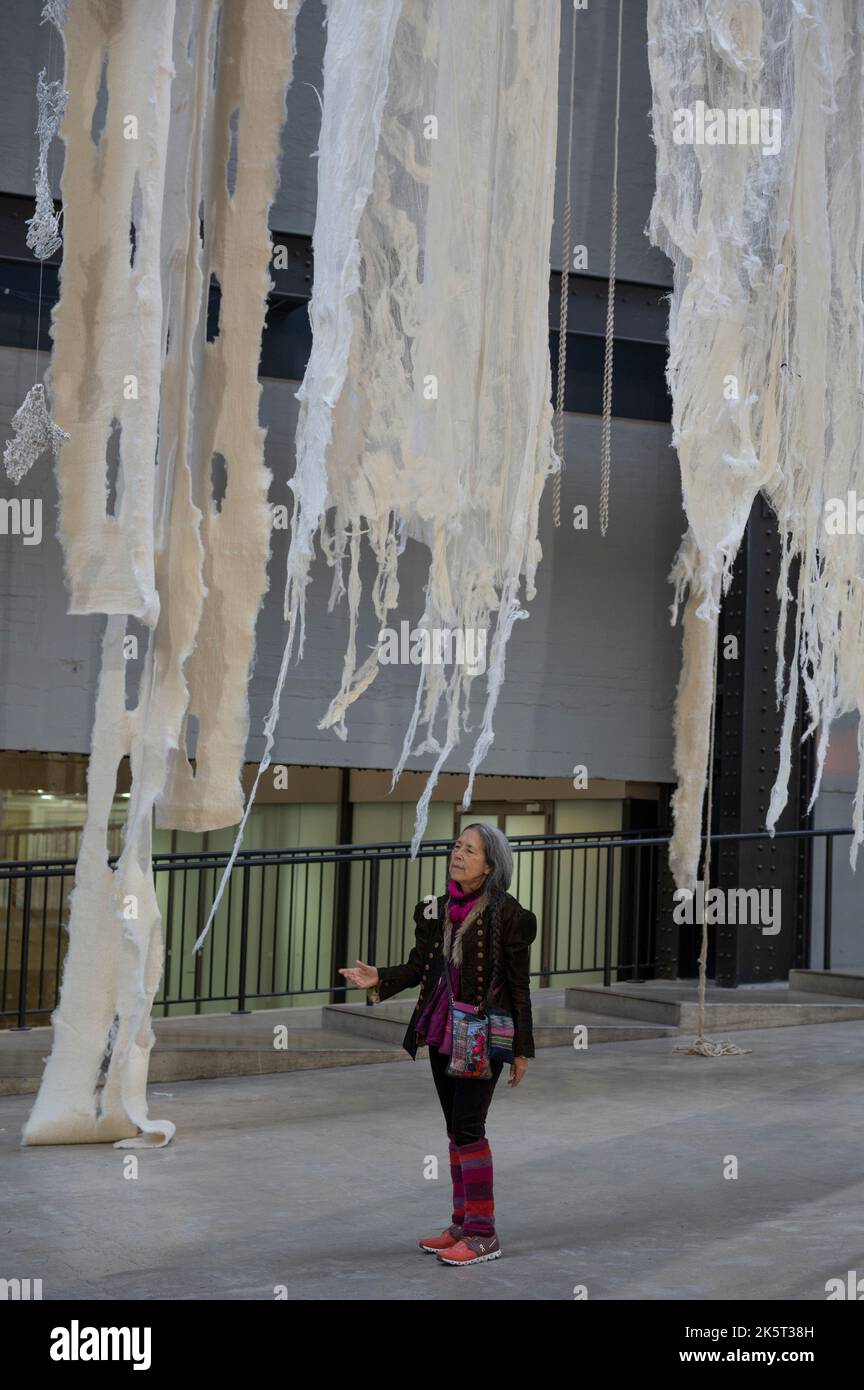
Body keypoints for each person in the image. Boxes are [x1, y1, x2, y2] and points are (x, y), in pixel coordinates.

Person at [339, 823, 537, 1266]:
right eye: (457, 847)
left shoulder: (510, 915)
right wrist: (379, 978)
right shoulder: (435, 909)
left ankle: (484, 1234)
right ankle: (463, 1224)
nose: (459, 854)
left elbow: (519, 987)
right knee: (455, 1130)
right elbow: (418, 968)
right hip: (441, 1031)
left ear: (490, 865)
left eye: (470, 850)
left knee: (470, 1128)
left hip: (481, 1037)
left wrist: (521, 1049)